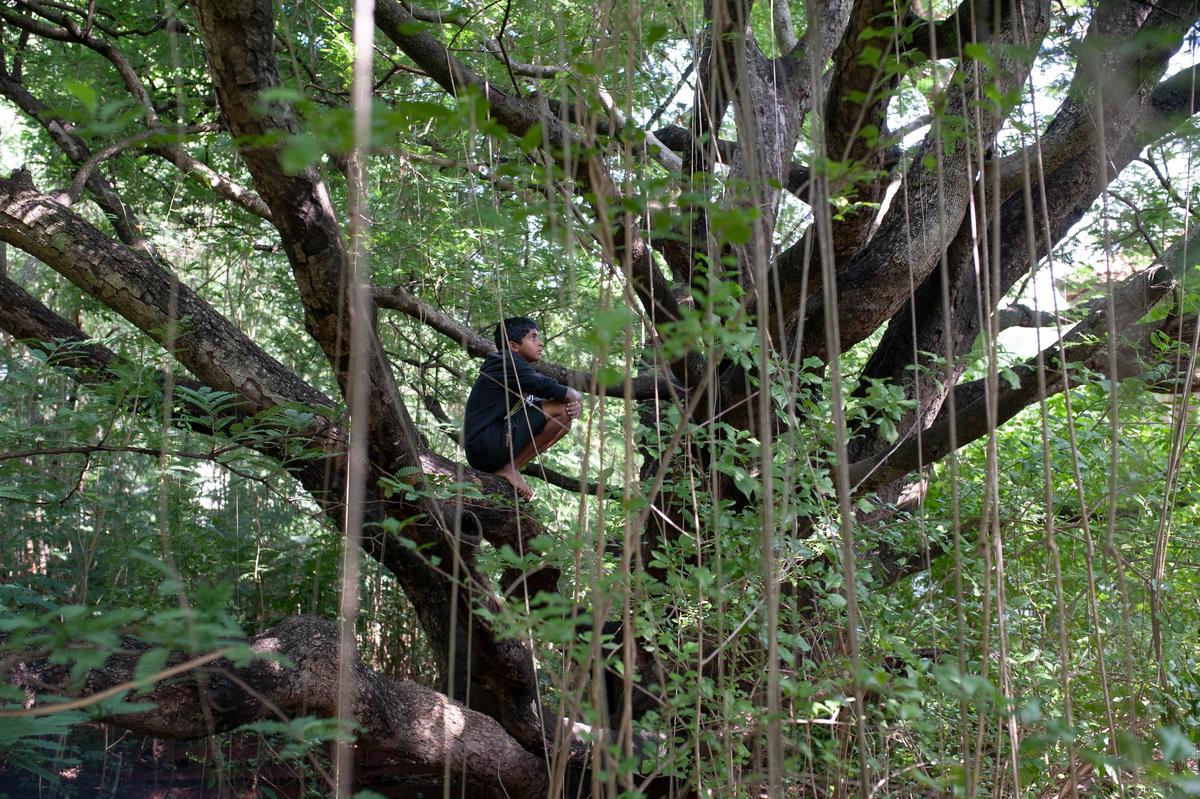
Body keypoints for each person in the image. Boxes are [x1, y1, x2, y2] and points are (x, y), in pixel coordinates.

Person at [463, 316, 582, 499]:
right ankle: (510, 468)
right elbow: (546, 387)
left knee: (564, 417)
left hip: (488, 447)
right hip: (485, 443)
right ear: (513, 346)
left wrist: (574, 407)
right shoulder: (505, 361)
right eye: (533, 337)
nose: (540, 343)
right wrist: (575, 396)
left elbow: (543, 399)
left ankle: (512, 467)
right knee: (561, 408)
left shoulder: (518, 370)